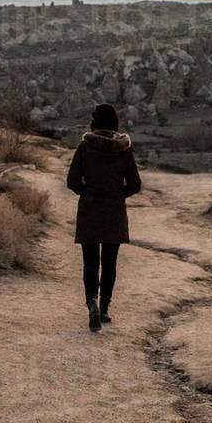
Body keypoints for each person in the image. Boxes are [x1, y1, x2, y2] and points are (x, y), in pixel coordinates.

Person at [66, 103, 142, 331]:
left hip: (90, 209)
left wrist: (87, 192)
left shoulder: (85, 147)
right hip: (114, 211)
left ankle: (92, 303)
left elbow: (71, 181)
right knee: (110, 263)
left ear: (95, 122)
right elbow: (135, 184)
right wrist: (119, 194)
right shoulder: (124, 149)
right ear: (115, 123)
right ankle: (106, 308)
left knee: (90, 262)